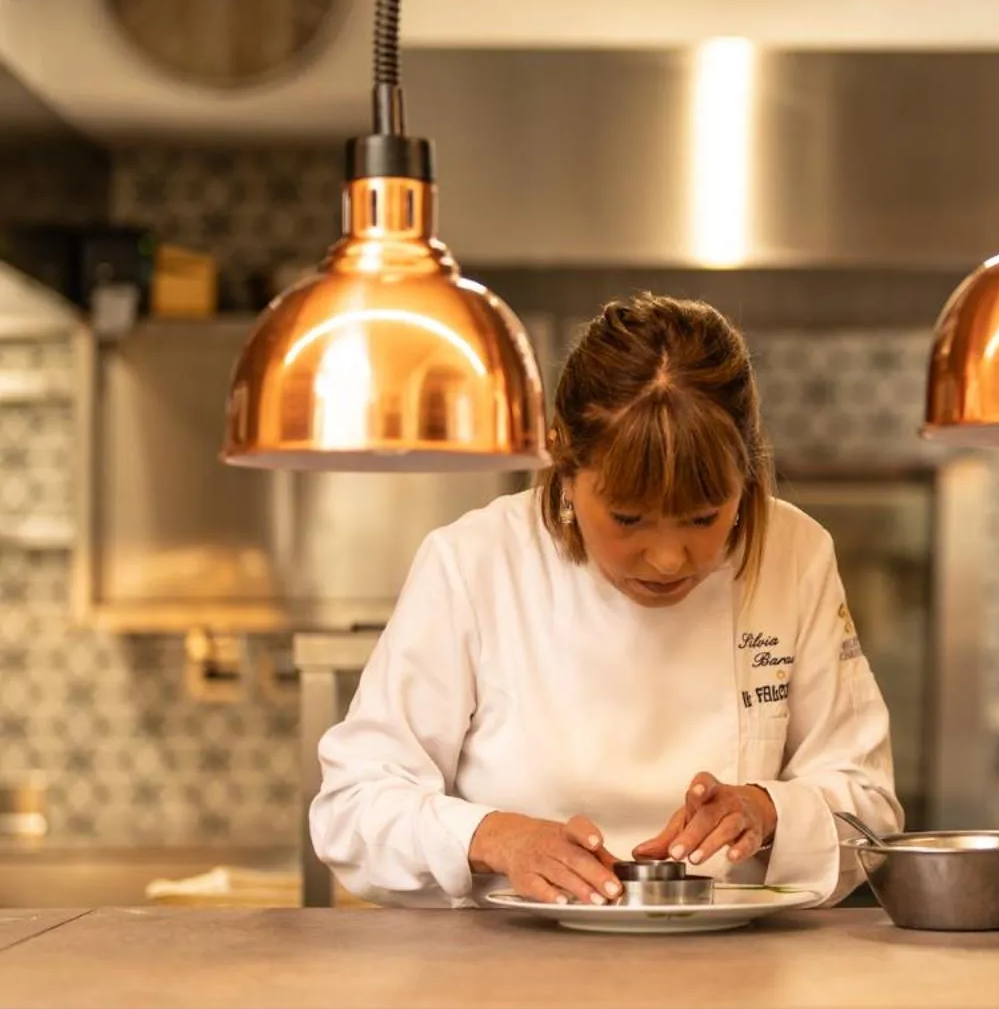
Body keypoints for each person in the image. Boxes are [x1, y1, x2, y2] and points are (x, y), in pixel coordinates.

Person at [311, 294, 903, 908]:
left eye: (704, 517)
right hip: (505, 973)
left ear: (747, 474)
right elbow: (352, 810)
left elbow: (871, 809)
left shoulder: (794, 553)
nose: (670, 558)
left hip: (737, 971)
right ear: (565, 465)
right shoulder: (473, 562)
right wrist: (494, 838)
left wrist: (767, 809)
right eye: (628, 518)